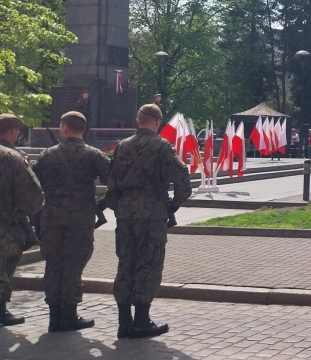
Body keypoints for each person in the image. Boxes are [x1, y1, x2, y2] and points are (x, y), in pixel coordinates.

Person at [104, 104, 191, 339]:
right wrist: (173, 205)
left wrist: (120, 206)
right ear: (157, 123)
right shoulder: (161, 146)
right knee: (148, 264)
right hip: (152, 214)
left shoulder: (122, 147)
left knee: (126, 264)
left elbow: (111, 184)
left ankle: (124, 322)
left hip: (124, 215)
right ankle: (142, 320)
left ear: (137, 120)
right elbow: (182, 178)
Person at [32, 111, 111, 332]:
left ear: (64, 127)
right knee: (73, 265)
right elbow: (114, 181)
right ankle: (69, 314)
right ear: (83, 129)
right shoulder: (94, 155)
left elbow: (33, 185)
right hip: (80, 218)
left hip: (51, 218)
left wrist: (37, 213)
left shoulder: (47, 155)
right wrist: (102, 205)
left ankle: (54, 316)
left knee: (53, 264)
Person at [0, 113, 44, 326]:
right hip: (6, 224)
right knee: (3, 266)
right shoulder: (11, 157)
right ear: (11, 131)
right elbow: (32, 196)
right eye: (17, 131)